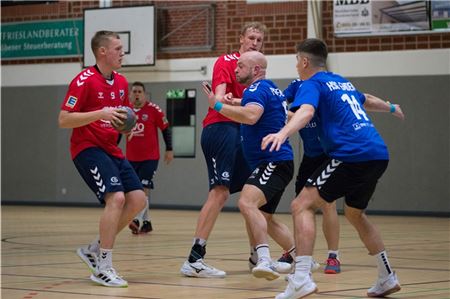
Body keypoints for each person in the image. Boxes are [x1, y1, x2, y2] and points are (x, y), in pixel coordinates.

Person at [262, 38, 404, 298]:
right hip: (377, 153)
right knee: (354, 214)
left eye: (296, 60)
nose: (296, 66)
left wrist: (283, 133)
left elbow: (305, 112)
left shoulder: (311, 83)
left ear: (304, 61)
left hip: (351, 154)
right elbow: (367, 99)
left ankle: (302, 278)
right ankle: (387, 276)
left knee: (301, 205)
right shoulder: (341, 81)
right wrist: (392, 107)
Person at [180, 22, 298, 278]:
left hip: (242, 133)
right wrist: (225, 103)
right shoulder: (229, 62)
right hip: (222, 128)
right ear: (241, 38)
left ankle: (259, 254)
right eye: (251, 37)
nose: (255, 42)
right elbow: (219, 98)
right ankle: (194, 258)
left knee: (250, 196)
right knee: (220, 192)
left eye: (259, 40)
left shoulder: (258, 77)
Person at [58, 30, 146, 288]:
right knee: (116, 198)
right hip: (87, 148)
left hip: (111, 148)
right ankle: (103, 267)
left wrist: (124, 126)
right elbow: (64, 119)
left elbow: (117, 117)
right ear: (102, 52)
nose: (123, 53)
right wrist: (99, 114)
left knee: (138, 199)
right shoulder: (83, 80)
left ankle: (93, 249)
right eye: (118, 48)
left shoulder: (121, 82)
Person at [204, 51, 294, 280]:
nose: (235, 70)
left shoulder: (255, 89)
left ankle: (263, 259)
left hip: (272, 162)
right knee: (266, 218)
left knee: (246, 202)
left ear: (255, 70)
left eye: (241, 66)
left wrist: (217, 106)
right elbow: (258, 110)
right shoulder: (270, 88)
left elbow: (252, 116)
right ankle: (302, 257)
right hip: (279, 162)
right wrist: (235, 102)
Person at [284, 79, 342, 274]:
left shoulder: (326, 86)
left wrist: (289, 114)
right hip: (309, 157)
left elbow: (303, 116)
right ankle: (300, 254)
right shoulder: (297, 85)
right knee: (299, 205)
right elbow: (276, 102)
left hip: (328, 155)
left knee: (328, 204)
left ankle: (333, 256)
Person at [126, 81, 174, 234]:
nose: (137, 94)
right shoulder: (126, 112)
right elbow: (118, 132)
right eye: (134, 91)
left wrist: (169, 149)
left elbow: (166, 129)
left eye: (140, 91)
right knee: (133, 191)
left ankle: (136, 219)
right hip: (131, 158)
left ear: (145, 94)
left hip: (150, 158)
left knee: (143, 189)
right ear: (130, 95)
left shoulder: (154, 110)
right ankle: (147, 222)